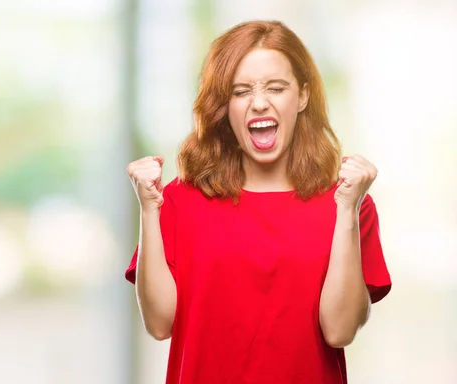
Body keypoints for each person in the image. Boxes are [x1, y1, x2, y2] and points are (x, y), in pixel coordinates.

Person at [124, 20, 391, 384]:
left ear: (302, 96)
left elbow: (340, 331)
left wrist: (345, 209)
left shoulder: (350, 204)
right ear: (224, 105)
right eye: (241, 91)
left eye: (276, 88)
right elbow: (159, 324)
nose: (259, 103)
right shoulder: (178, 201)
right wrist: (148, 209)